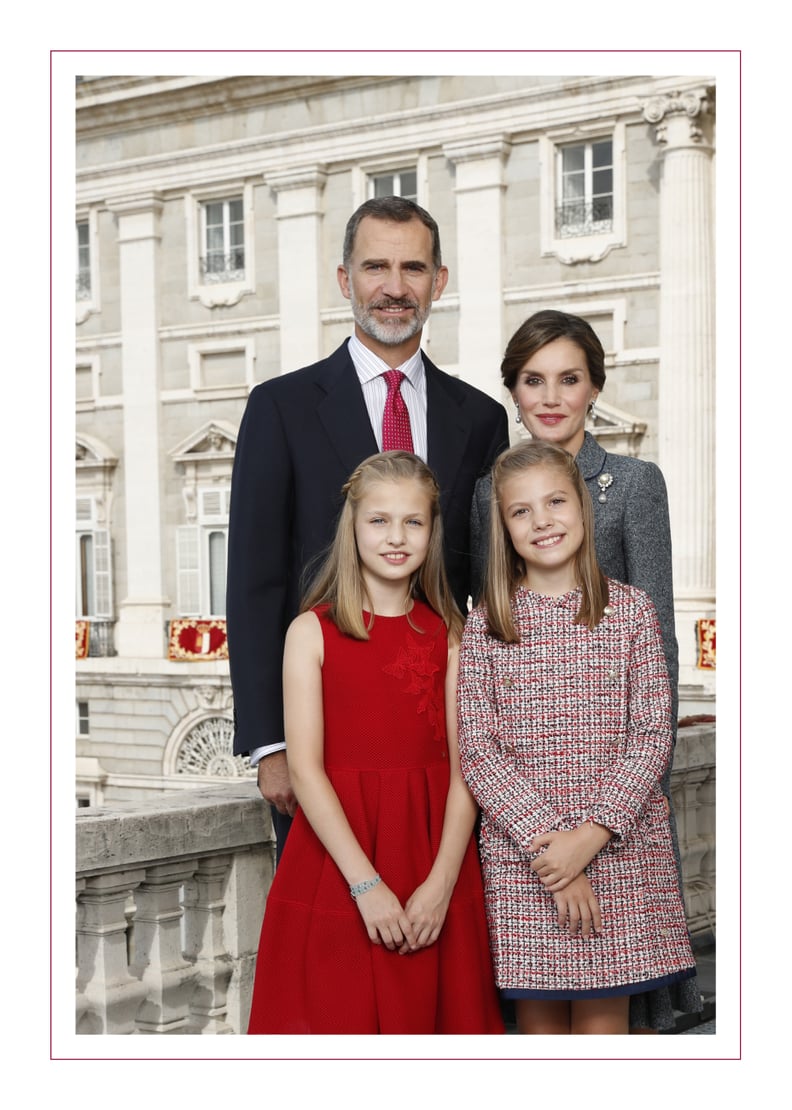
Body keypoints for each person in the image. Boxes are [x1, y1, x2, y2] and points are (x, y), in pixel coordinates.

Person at [227, 196, 508, 858]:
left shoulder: (481, 417)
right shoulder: (280, 407)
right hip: (321, 735)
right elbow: (255, 580)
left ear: (438, 283)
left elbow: (492, 586)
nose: (393, 287)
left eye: (412, 268)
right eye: (375, 266)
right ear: (345, 279)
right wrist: (271, 742)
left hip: (439, 735)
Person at [470, 309, 702, 1031]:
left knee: (610, 1027)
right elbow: (482, 713)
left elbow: (655, 645)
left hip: (618, 807)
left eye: (568, 378)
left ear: (594, 387)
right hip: (526, 829)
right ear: (513, 391)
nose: (551, 395)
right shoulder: (489, 494)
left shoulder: (632, 483)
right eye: (533, 380)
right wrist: (547, 839)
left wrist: (614, 821)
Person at [246, 451, 504, 1034]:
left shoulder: (451, 635)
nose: (396, 536)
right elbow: (306, 771)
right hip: (339, 862)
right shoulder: (309, 631)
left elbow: (469, 771)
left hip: (434, 854)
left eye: (413, 522)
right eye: (379, 520)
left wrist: (440, 885)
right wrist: (366, 886)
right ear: (353, 527)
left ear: (433, 531)